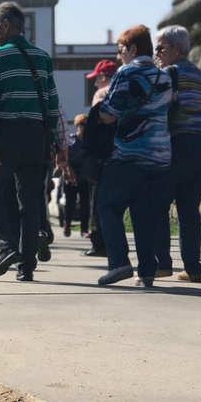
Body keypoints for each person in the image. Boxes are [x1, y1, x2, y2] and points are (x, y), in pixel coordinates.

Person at [0, 1, 63, 282]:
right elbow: (52, 102)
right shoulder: (42, 57)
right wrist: (51, 140)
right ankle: (26, 268)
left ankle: (4, 248)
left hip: (8, 134)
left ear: (5, 25)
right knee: (30, 203)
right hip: (37, 135)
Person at [95, 25, 173, 288]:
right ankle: (147, 272)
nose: (119, 57)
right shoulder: (165, 77)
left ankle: (119, 263)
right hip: (160, 155)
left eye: (121, 51)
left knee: (108, 206)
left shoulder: (127, 73)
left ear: (132, 49)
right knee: (145, 214)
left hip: (127, 153)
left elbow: (108, 113)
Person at [147, 25, 201, 285]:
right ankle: (193, 268)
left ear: (176, 48)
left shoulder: (170, 72)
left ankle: (162, 263)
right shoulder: (199, 73)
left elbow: (160, 105)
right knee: (189, 210)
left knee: (158, 203)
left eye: (160, 48)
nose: (157, 54)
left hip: (180, 141)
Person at [80, 60, 116, 258]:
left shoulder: (101, 94)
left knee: (97, 203)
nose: (94, 84)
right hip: (120, 153)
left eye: (96, 79)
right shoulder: (121, 89)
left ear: (103, 77)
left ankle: (98, 244)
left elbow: (94, 126)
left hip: (101, 155)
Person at [63, 114, 91, 238]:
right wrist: (67, 170)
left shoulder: (91, 141)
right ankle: (67, 224)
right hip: (71, 175)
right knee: (70, 202)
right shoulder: (71, 140)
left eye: (87, 124)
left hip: (86, 176)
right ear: (76, 125)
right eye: (82, 124)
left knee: (86, 203)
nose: (85, 127)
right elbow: (64, 157)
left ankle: (84, 228)